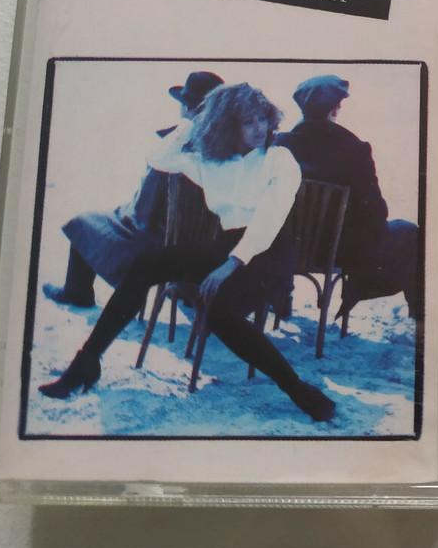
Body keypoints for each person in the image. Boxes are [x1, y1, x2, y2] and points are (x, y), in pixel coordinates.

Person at [37, 82, 335, 422]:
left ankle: (298, 390)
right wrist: (192, 122)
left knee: (220, 312)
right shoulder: (212, 162)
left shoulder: (279, 160)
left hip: (268, 254)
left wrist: (230, 265)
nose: (259, 128)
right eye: (248, 121)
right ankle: (86, 362)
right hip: (227, 245)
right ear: (228, 125)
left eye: (262, 119)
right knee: (147, 264)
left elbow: (270, 220)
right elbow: (159, 158)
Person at [42, 70, 224, 307]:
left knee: (84, 223)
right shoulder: (224, 149)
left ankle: (77, 293)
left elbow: (143, 213)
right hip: (202, 242)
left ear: (188, 109)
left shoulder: (172, 152)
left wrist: (124, 212)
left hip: (158, 238)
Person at [274, 75, 420, 321]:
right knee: (410, 232)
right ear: (336, 108)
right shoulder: (354, 148)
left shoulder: (279, 144)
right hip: (339, 253)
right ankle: (421, 322)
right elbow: (376, 211)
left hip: (285, 249)